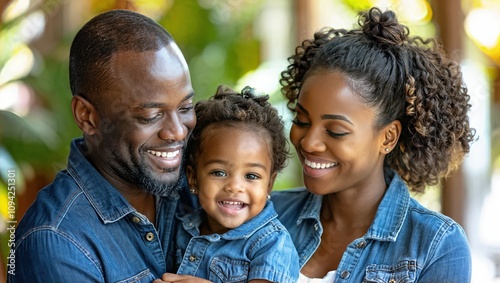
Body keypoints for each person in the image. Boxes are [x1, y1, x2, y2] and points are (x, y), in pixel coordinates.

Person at [272, 7, 476, 283]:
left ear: (388, 137)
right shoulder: (269, 214)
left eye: (335, 131)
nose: (309, 142)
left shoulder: (434, 245)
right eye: (302, 120)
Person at [7, 9, 196, 282]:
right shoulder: (57, 242)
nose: (177, 132)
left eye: (185, 107)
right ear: (88, 116)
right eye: (150, 116)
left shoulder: (204, 183)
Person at [154, 85, 300, 283]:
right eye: (219, 172)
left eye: (251, 176)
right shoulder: (182, 226)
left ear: (269, 184)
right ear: (193, 178)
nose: (234, 186)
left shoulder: (271, 244)